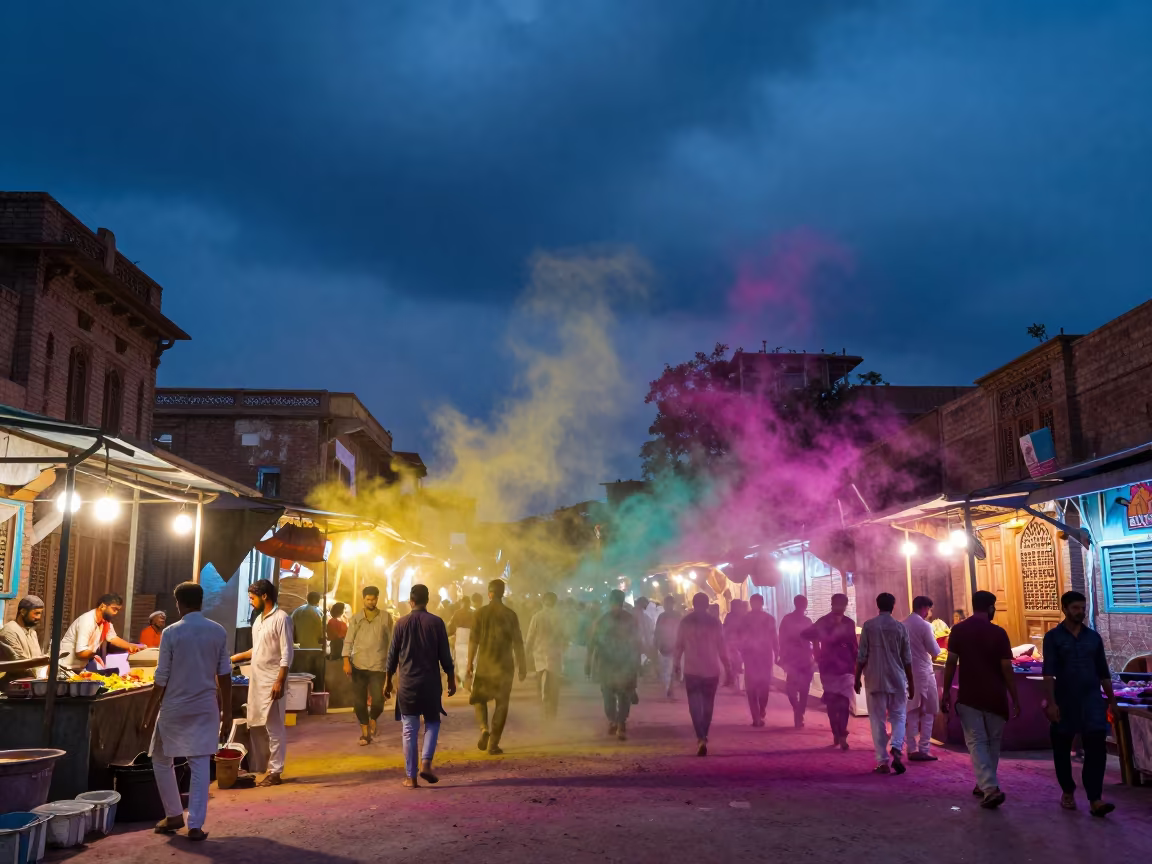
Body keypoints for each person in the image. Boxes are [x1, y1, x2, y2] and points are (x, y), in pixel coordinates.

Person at [141, 582, 231, 841]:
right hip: (205, 709)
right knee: (200, 763)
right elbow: (224, 675)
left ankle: (173, 814)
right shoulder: (218, 631)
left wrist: (148, 713)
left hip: (174, 709)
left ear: (179, 603)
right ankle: (195, 825)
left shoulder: (171, 633)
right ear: (201, 602)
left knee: (160, 759)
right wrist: (226, 712)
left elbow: (161, 678)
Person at [941, 590, 1020, 809]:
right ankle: (988, 786)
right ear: (990, 607)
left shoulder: (958, 630)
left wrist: (946, 691)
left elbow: (950, 663)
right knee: (992, 742)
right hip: (995, 696)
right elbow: (1006, 668)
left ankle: (987, 786)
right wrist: (1014, 696)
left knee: (976, 742)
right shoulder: (999, 633)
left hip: (970, 696)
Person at [1042, 590, 1117, 817]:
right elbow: (1049, 673)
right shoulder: (1053, 638)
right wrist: (1051, 703)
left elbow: (1103, 672)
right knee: (1062, 748)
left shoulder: (1093, 638)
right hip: (1064, 701)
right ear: (1064, 609)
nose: (1080, 612)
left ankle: (1095, 798)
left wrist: (1111, 701)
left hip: (1092, 701)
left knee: (1096, 750)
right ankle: (1067, 790)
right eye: (1075, 608)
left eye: (1082, 608)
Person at [384, 584, 455, 788]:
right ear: (428, 600)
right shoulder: (437, 622)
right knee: (432, 722)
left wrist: (387, 680)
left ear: (411, 601)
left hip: (407, 684)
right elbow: (445, 655)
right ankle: (426, 762)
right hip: (431, 682)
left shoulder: (400, 624)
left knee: (409, 729)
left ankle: (411, 777)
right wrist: (450, 677)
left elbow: (392, 656)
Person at [229, 579, 292, 787]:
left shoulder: (281, 618)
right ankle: (264, 766)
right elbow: (256, 649)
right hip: (258, 680)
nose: (250, 601)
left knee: (275, 728)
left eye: (252, 597)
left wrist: (279, 681)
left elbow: (287, 653)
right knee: (259, 725)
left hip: (273, 681)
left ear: (264, 596)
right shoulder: (258, 621)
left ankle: (276, 772)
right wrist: (233, 658)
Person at [855, 592, 914, 776]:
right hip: (897, 679)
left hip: (874, 679)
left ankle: (882, 762)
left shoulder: (869, 626)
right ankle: (896, 746)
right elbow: (907, 659)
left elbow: (862, 655)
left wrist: (856, 678)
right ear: (893, 606)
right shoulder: (900, 628)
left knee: (877, 720)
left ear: (877, 605)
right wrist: (911, 683)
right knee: (898, 716)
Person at [467, 579, 526, 756]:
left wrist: (469, 662)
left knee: (478, 698)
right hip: (505, 666)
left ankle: (484, 728)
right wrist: (523, 665)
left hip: (485, 663)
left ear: (489, 593)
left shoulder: (480, 613)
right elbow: (518, 643)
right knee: (502, 704)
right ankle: (493, 744)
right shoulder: (511, 615)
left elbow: (473, 640)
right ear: (503, 593)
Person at [674, 592, 731, 756]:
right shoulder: (714, 622)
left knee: (694, 706)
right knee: (708, 704)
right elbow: (722, 647)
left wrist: (676, 664)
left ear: (693, 604)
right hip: (711, 670)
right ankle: (704, 735)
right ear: (707, 605)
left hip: (691, 670)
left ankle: (700, 737)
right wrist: (728, 668)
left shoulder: (685, 622)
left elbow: (679, 645)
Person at [802, 593, 858, 750]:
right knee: (833, 703)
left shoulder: (849, 623)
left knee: (845, 702)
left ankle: (842, 734)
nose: (840, 607)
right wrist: (817, 647)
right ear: (832, 604)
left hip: (846, 667)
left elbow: (854, 646)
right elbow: (805, 634)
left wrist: (856, 665)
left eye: (843, 605)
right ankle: (836, 732)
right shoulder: (823, 621)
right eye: (837, 604)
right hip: (829, 667)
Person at [587, 589, 642, 741]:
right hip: (609, 664)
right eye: (614, 604)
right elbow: (593, 642)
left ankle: (620, 723)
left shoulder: (625, 620)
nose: (616, 607)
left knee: (622, 695)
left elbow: (637, 643)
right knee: (609, 695)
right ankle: (614, 720)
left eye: (618, 604)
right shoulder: (603, 620)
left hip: (622, 664)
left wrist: (637, 663)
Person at [342, 585, 393, 746]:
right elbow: (348, 641)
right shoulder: (356, 618)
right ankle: (365, 733)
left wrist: (393, 664)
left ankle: (373, 719)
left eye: (373, 599)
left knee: (378, 700)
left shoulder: (386, 617)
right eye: (368, 599)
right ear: (363, 599)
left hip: (379, 665)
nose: (371, 602)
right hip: (358, 665)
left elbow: (392, 641)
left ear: (378, 599)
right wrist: (346, 661)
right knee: (359, 701)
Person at [59, 593, 146, 671]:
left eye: (118, 610)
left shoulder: (105, 623)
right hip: (66, 667)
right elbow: (81, 653)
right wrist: (96, 654)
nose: (115, 613)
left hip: (80, 667)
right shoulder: (87, 621)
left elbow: (113, 638)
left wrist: (131, 646)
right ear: (102, 606)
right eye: (114, 609)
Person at [904, 595, 942, 761]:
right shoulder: (925, 626)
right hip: (924, 673)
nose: (929, 613)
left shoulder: (902, 624)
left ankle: (911, 749)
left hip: (908, 673)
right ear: (924, 608)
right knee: (928, 711)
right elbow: (935, 651)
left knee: (911, 711)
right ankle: (924, 749)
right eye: (929, 609)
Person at [525, 592, 568, 719]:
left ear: (543, 601)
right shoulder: (560, 617)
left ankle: (544, 710)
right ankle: (552, 713)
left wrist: (526, 653)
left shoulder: (536, 617)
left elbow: (530, 637)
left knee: (541, 684)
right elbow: (565, 636)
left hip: (540, 656)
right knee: (554, 686)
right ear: (555, 602)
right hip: (554, 655)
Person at [739, 595, 777, 727]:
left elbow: (774, 637)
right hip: (751, 657)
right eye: (753, 602)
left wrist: (777, 652)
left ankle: (761, 709)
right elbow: (739, 638)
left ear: (761, 603)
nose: (755, 605)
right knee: (751, 688)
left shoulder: (769, 619)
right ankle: (756, 717)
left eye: (757, 602)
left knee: (764, 686)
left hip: (764, 657)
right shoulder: (745, 619)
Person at [778, 595, 815, 728]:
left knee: (802, 688)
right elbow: (781, 639)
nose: (803, 606)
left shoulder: (807, 620)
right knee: (793, 687)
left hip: (803, 658)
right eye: (802, 603)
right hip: (794, 658)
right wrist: (782, 655)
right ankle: (798, 710)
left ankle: (799, 712)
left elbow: (814, 639)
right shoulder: (788, 620)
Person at [0, 596, 48, 675]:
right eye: (36, 613)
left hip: (31, 680)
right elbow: (19, 662)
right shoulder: (9, 631)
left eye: (40, 613)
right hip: (13, 682)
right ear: (23, 612)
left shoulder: (32, 632)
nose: (38, 617)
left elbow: (37, 659)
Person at [291, 592, 325, 682]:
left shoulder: (297, 611)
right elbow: (322, 632)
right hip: (315, 650)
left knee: (301, 678)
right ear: (318, 600)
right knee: (314, 678)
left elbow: (290, 629)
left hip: (299, 650)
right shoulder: (318, 612)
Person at [447, 594, 479, 691]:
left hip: (461, 639)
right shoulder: (473, 613)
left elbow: (451, 627)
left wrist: (448, 635)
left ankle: (464, 681)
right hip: (469, 640)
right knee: (470, 661)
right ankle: (468, 682)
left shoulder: (458, 613)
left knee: (461, 662)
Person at [654, 595, 683, 699]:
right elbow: (657, 632)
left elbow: (682, 630)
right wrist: (656, 644)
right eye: (666, 603)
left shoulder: (677, 615)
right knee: (665, 670)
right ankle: (668, 690)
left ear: (672, 604)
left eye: (670, 603)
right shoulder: (661, 616)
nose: (668, 606)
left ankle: (670, 690)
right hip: (664, 647)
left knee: (672, 670)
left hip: (674, 646)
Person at [725, 599, 748, 691]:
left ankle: (739, 684)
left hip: (741, 644)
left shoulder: (744, 617)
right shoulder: (730, 616)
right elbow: (726, 629)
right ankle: (736, 683)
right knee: (734, 663)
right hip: (732, 643)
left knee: (740, 664)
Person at [634, 596, 656, 675]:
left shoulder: (639, 612)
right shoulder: (640, 612)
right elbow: (643, 627)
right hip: (640, 638)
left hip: (638, 638)